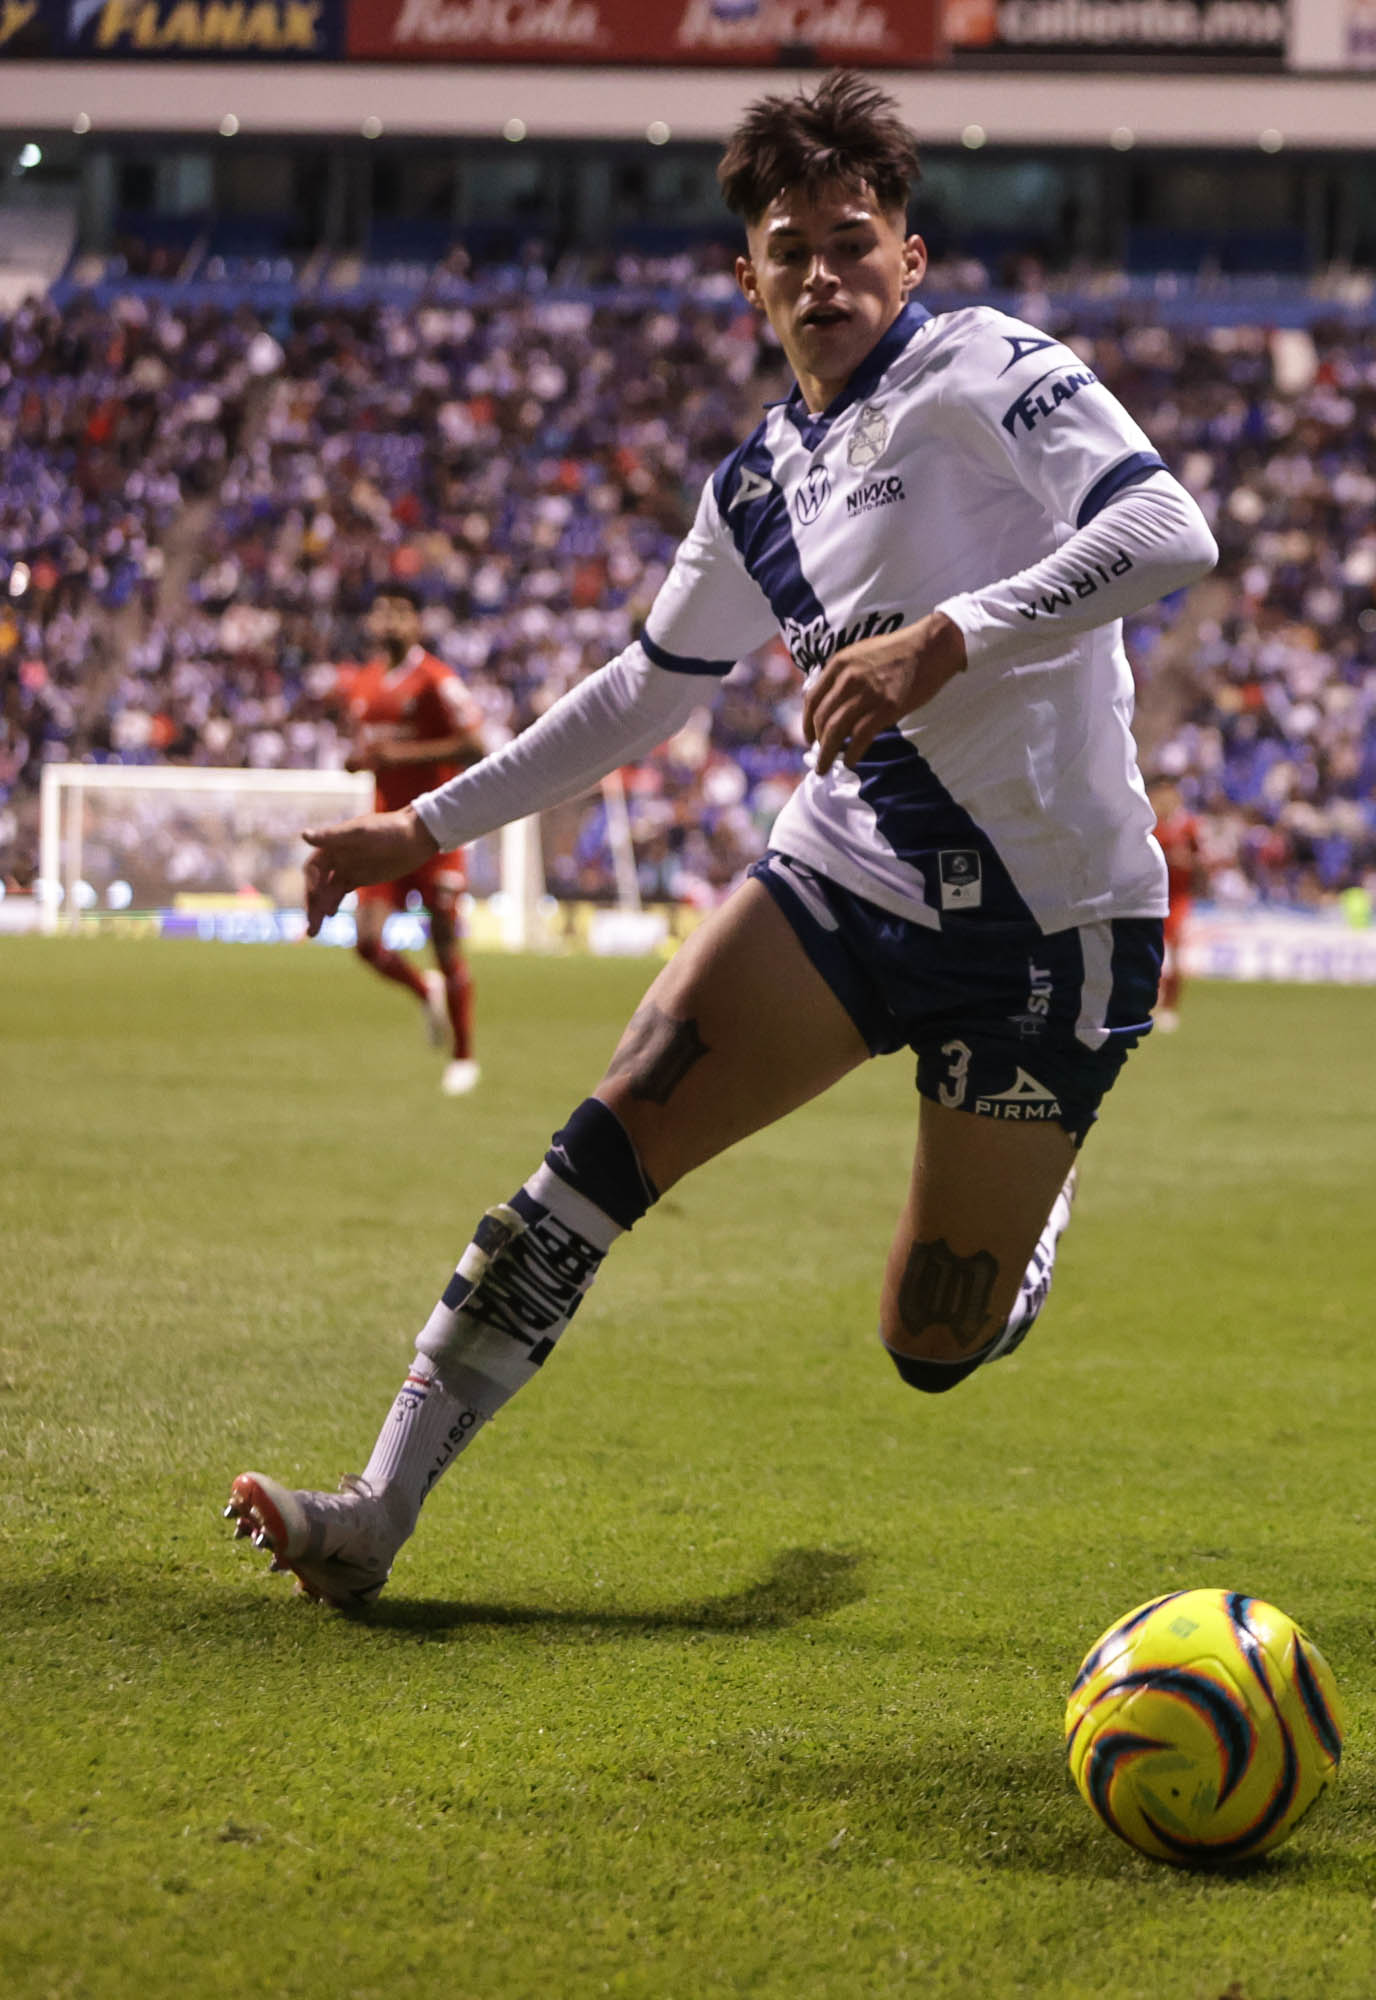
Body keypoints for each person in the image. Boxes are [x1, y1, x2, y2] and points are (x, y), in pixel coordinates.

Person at [225, 74, 1219, 1608]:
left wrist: (947, 637)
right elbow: (642, 693)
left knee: (930, 1344)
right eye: (788, 248)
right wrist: (417, 826)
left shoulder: (985, 368)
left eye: (850, 239)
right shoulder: (757, 485)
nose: (822, 272)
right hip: (846, 878)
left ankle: (1028, 1218)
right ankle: (375, 1506)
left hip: (1051, 923)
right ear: (744, 277)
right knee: (601, 1145)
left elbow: (1169, 533)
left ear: (909, 257)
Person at [340, 584, 489, 1095]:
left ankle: (464, 1055)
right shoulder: (362, 683)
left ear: (417, 623)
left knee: (446, 943)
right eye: (382, 610)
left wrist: (394, 758)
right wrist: (361, 760)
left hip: (437, 831)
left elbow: (475, 745)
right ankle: (425, 989)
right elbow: (371, 750)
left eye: (401, 611)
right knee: (364, 941)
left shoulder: (437, 681)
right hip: (386, 833)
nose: (390, 620)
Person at [1152, 776, 1200, 1032]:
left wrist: (1186, 861)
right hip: (1154, 897)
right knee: (1154, 955)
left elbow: (1199, 860)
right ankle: (1152, 1004)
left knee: (1177, 956)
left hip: (1179, 900)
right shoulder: (1151, 826)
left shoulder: (1189, 827)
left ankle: (1170, 1007)